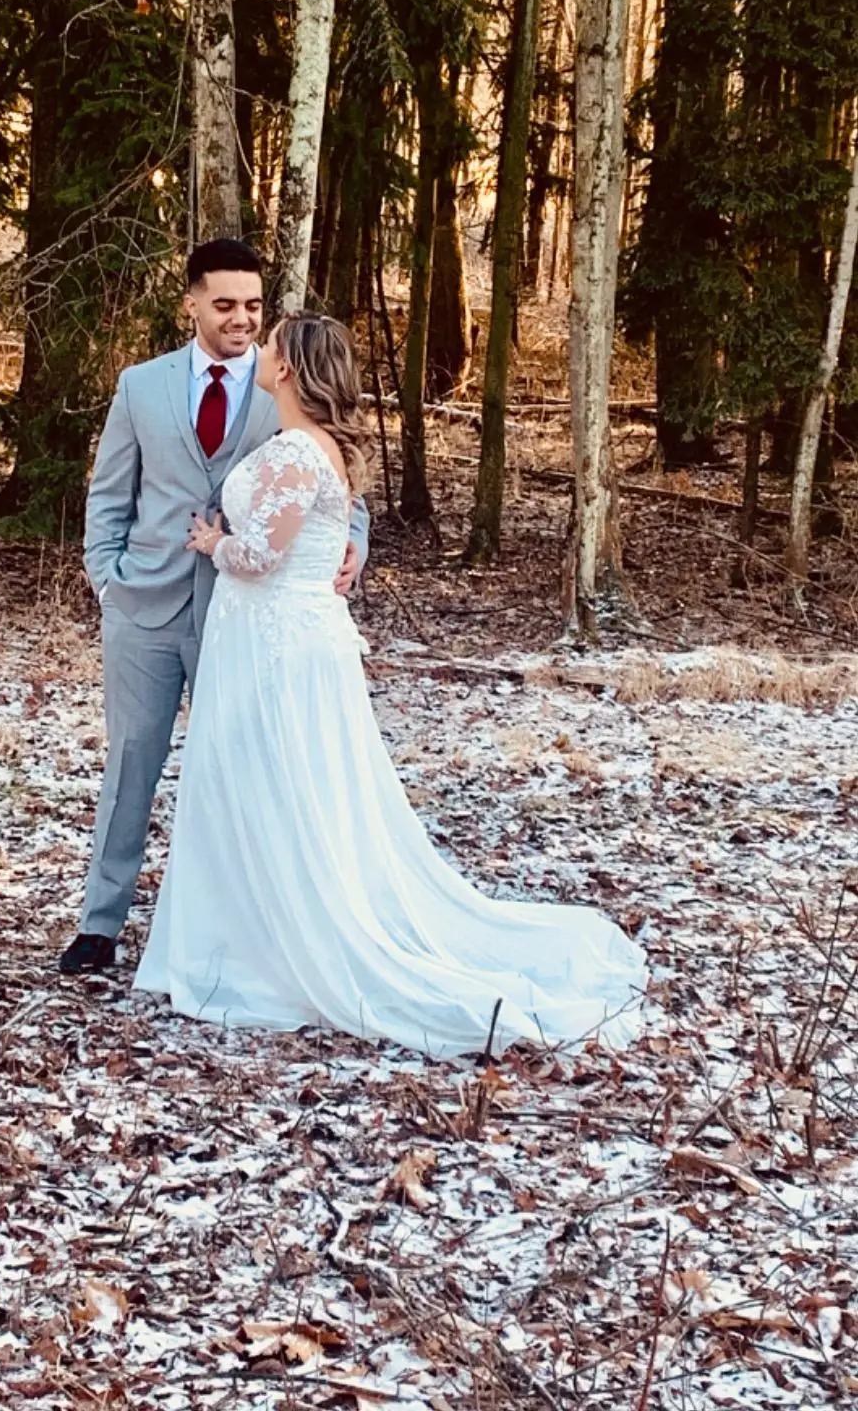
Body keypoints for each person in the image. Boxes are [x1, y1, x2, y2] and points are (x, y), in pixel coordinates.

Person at [134, 311, 647, 1058]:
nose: (263, 347)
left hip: (276, 646)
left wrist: (215, 541)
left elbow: (259, 558)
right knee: (281, 789)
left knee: (275, 785)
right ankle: (248, 934)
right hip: (283, 638)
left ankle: (270, 948)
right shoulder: (316, 451)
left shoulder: (296, 454)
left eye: (274, 343)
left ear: (290, 368)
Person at [60, 242, 370, 975]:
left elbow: (338, 470)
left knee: (243, 768)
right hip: (145, 609)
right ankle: (100, 925)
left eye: (254, 307)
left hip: (245, 616)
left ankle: (243, 926)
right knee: (131, 764)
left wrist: (352, 541)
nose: (241, 320)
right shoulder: (141, 385)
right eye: (225, 305)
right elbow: (109, 491)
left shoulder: (284, 382)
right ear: (192, 303)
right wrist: (107, 577)